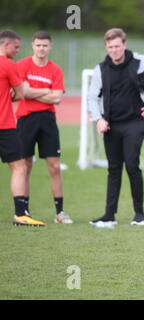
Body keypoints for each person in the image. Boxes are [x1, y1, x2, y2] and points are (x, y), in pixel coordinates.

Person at [87, 28, 144, 227]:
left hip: (134, 123)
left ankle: (139, 214)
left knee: (131, 165)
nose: (114, 50)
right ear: (106, 47)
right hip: (111, 125)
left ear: (124, 45)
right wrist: (99, 120)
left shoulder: (140, 62)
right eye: (110, 47)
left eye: (117, 46)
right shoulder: (100, 69)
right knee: (113, 169)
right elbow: (92, 97)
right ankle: (108, 215)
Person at [15, 30, 73, 224]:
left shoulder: (55, 70)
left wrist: (32, 92)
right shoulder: (22, 65)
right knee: (24, 166)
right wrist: (45, 91)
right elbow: (20, 92)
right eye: (38, 45)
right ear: (32, 45)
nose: (41, 48)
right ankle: (24, 211)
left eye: (45, 45)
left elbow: (57, 97)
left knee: (54, 166)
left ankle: (60, 212)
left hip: (48, 120)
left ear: (50, 47)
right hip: (26, 119)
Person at [0, 29, 45, 226]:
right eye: (16, 47)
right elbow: (20, 94)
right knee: (19, 167)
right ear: (6, 45)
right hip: (5, 125)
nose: (18, 51)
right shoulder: (8, 65)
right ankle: (20, 214)